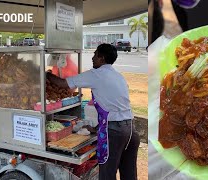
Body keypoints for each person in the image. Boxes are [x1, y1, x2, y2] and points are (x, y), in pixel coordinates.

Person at [47, 44, 140, 180]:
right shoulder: (118, 76)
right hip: (131, 131)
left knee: (107, 174)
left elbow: (63, 83)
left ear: (101, 58)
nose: (92, 58)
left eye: (95, 55)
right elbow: (115, 107)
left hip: (114, 134)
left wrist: (47, 75)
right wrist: (96, 129)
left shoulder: (96, 74)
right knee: (129, 174)